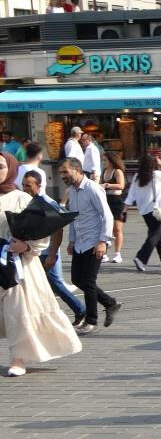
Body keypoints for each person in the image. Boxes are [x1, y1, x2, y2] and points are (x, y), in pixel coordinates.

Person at [0, 153, 81, 377]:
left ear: (11, 168)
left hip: (18, 265)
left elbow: (41, 230)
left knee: (18, 311)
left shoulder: (21, 198)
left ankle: (18, 358)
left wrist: (26, 246)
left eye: (1, 166)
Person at [59, 158, 120, 336]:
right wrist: (71, 240)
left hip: (95, 241)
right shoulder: (72, 190)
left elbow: (107, 215)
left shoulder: (92, 188)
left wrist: (103, 241)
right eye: (61, 173)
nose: (62, 176)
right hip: (80, 242)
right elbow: (73, 217)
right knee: (77, 279)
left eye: (65, 172)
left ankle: (91, 321)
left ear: (77, 170)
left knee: (88, 281)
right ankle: (110, 303)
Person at [21, 170, 86, 327]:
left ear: (38, 185)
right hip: (33, 251)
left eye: (28, 185)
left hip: (46, 252)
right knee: (39, 285)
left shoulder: (47, 203)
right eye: (23, 185)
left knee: (53, 284)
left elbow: (58, 230)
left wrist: (52, 254)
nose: (24, 188)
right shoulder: (28, 201)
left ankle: (80, 310)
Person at [124, 154, 161, 272]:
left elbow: (131, 195)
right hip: (157, 209)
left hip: (144, 210)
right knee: (155, 234)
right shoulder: (157, 175)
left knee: (158, 232)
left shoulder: (137, 176)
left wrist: (125, 209)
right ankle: (141, 258)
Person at [100, 152, 126, 264]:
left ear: (111, 161)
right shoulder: (104, 172)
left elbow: (121, 185)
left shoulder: (117, 171)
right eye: (103, 160)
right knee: (105, 227)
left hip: (117, 201)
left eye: (105, 160)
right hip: (106, 200)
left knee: (117, 229)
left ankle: (117, 254)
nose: (103, 162)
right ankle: (104, 253)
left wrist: (107, 185)